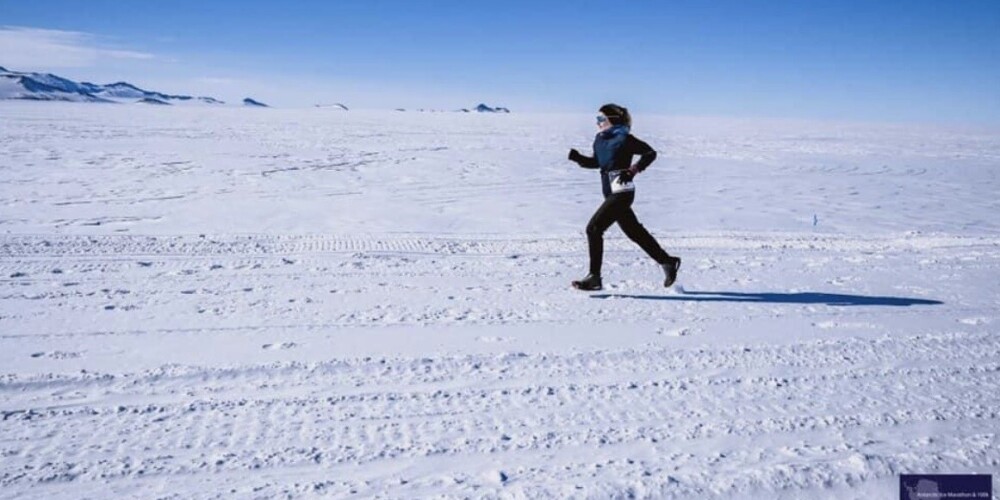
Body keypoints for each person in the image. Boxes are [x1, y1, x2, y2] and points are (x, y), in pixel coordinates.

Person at [567, 103, 681, 291]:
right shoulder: (599, 139)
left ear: (612, 120)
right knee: (634, 231)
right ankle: (667, 261)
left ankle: (594, 277)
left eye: (601, 119)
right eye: (597, 119)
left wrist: (634, 169)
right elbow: (597, 162)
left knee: (593, 229)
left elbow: (650, 153)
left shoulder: (624, 138)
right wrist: (578, 158)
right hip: (609, 193)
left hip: (622, 192)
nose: (597, 123)